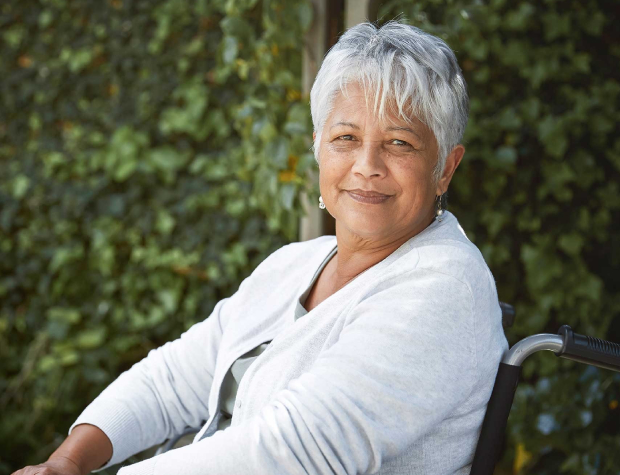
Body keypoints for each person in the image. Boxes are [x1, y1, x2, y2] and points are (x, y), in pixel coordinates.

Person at [14, 20, 508, 475]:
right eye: (346, 137)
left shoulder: (445, 289)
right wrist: (68, 462)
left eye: (400, 143)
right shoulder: (294, 264)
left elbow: (294, 452)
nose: (367, 164)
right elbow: (175, 379)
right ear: (318, 146)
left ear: (445, 167)